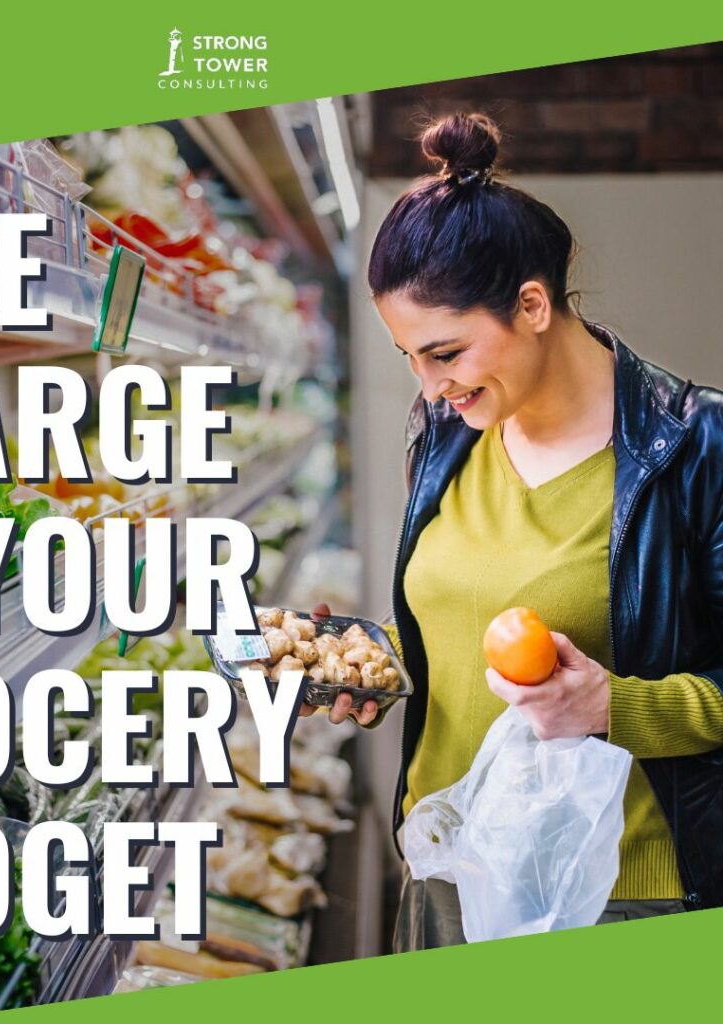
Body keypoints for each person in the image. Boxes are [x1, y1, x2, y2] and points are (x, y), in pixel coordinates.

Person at [300, 112, 723, 949]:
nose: (428, 384)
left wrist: (615, 706)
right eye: (409, 357)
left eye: (446, 352)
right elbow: (464, 618)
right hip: (447, 867)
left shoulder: (695, 447)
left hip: (610, 892)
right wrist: (380, 662)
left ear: (532, 303)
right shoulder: (448, 433)